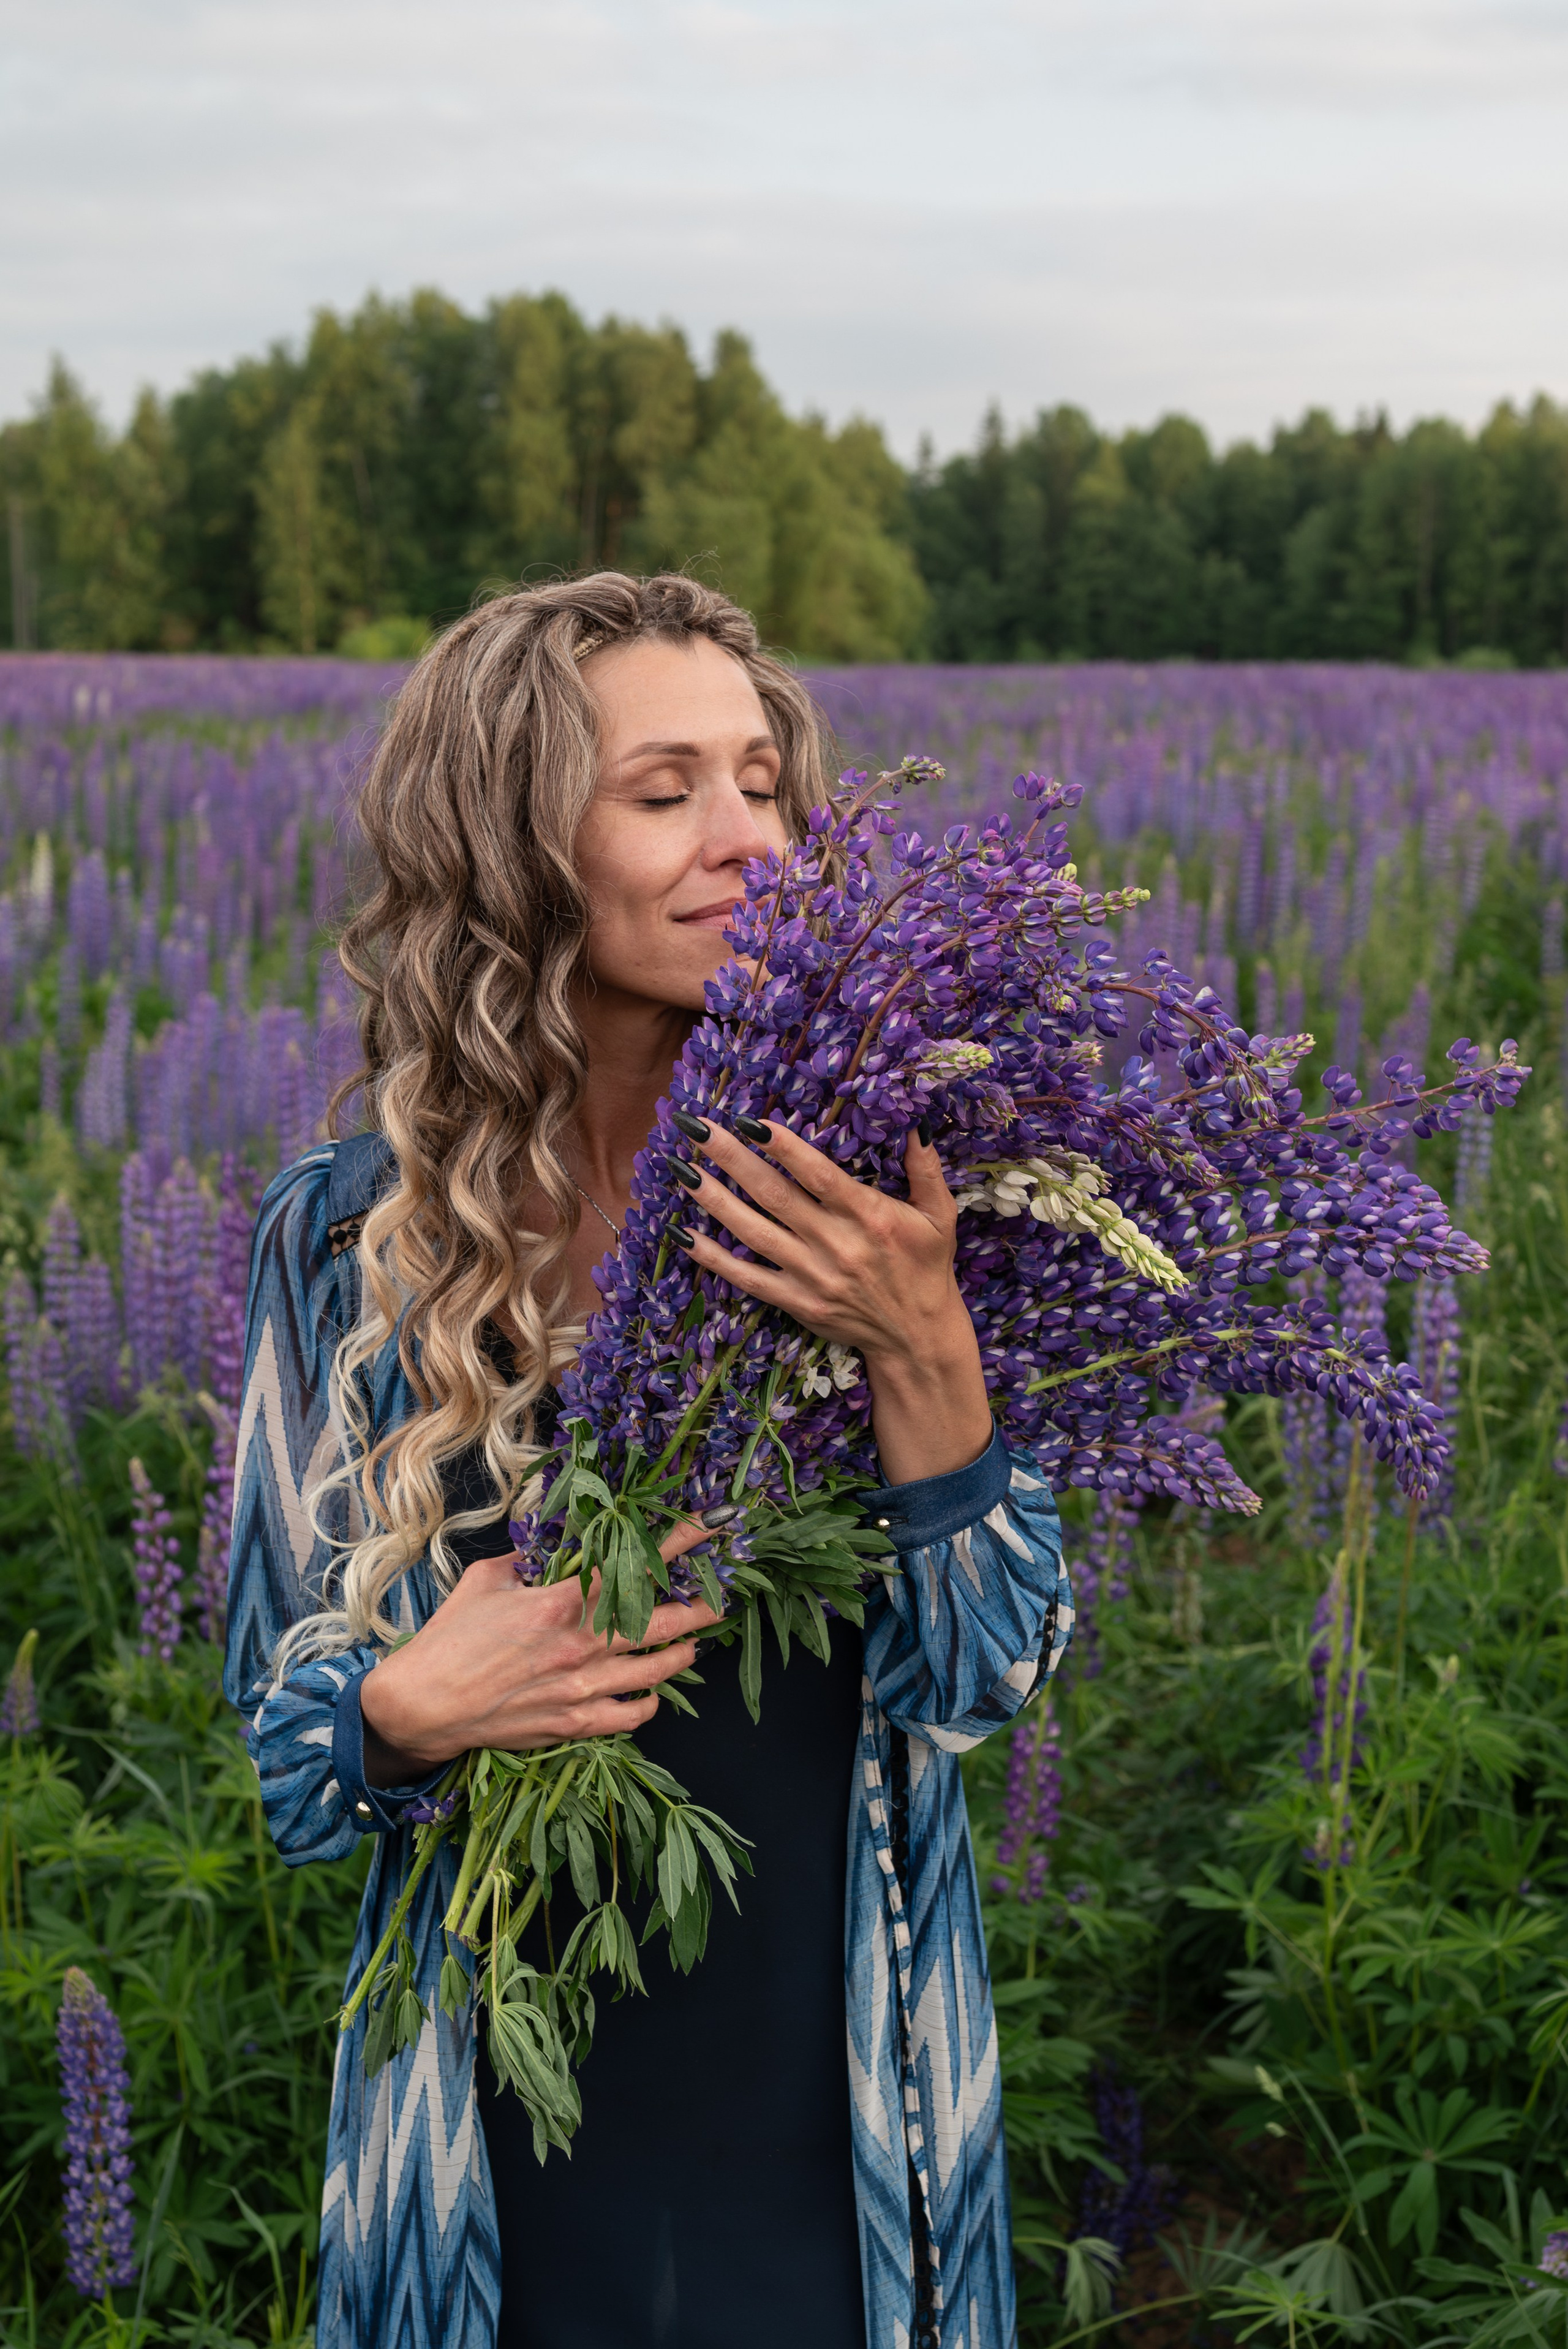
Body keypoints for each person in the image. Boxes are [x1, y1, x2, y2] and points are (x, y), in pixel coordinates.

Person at [224, 572, 1070, 2349]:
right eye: (664, 787)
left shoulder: (877, 1189)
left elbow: (994, 1672)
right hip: (490, 2120)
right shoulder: (345, 1240)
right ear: (519, 839)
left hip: (839, 2094)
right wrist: (402, 1706)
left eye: (763, 780)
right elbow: (282, 1741)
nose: (747, 835)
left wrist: (923, 1338)